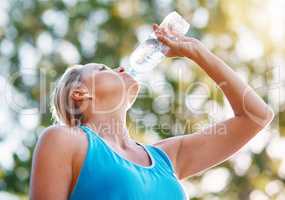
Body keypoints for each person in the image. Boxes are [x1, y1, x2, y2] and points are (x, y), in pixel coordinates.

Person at [29, 24, 274, 200]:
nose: (121, 68)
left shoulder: (167, 158)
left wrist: (197, 52)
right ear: (80, 94)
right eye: (104, 68)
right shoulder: (63, 140)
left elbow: (256, 116)